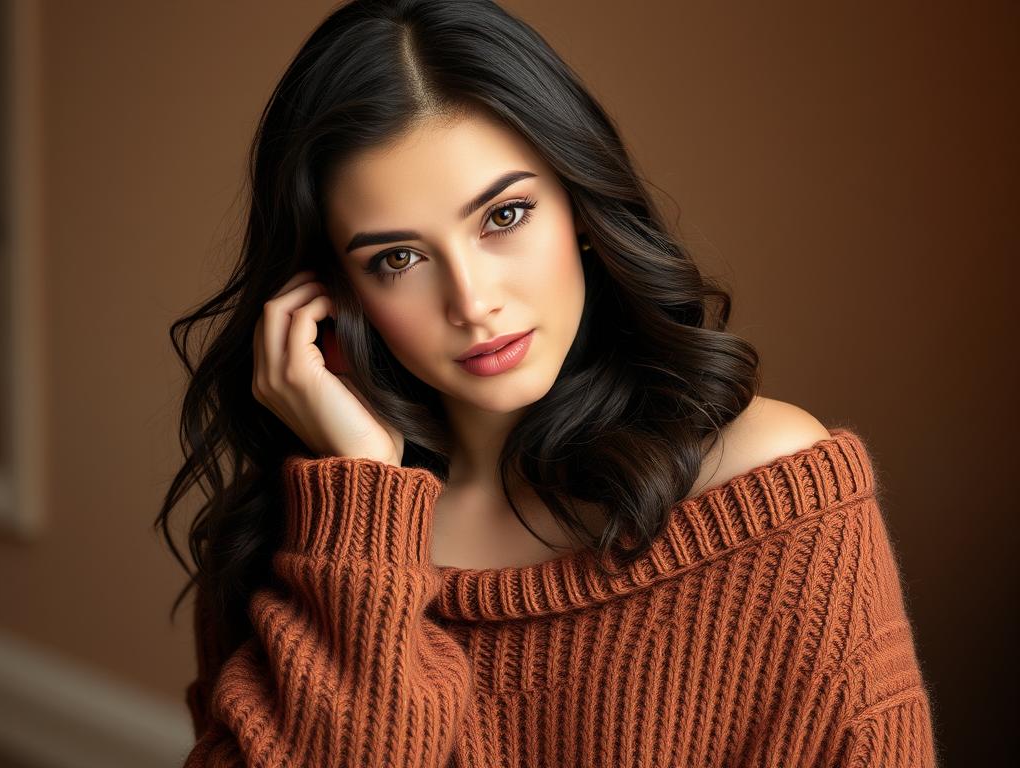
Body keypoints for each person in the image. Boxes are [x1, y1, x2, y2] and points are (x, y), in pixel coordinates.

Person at [154, 0, 938, 765]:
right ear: (336, 294)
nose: (472, 302)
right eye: (398, 258)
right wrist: (360, 498)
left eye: (504, 217)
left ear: (582, 209)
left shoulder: (774, 495)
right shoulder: (297, 533)